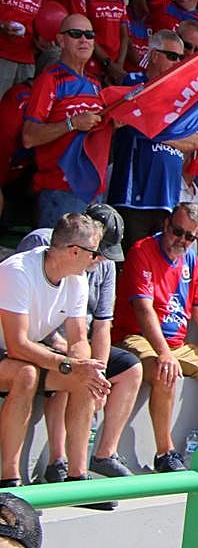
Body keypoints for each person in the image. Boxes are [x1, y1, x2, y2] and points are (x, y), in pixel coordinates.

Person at [112, 203, 198, 472]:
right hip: (138, 337)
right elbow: (143, 309)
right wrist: (163, 353)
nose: (182, 240)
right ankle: (165, 453)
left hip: (177, 344)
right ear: (166, 225)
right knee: (166, 371)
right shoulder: (142, 251)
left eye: (190, 236)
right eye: (177, 231)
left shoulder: (191, 259)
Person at [15, 204, 142, 484]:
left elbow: (101, 325)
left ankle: (100, 457)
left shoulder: (102, 266)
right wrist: (70, 358)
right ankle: (57, 461)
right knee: (69, 369)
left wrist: (99, 372)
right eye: (98, 251)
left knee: (127, 368)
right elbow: (27, 310)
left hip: (74, 341)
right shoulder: (42, 244)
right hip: (40, 339)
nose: (101, 258)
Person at [0, 214, 111, 492]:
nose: (97, 259)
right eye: (94, 252)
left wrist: (86, 368)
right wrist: (67, 365)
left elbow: (78, 338)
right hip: (12, 352)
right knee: (26, 374)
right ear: (74, 251)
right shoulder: (17, 271)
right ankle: (10, 480)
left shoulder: (77, 279)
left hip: (23, 353)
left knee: (86, 378)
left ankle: (77, 478)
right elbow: (16, 344)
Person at [107, 29, 198, 246]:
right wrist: (175, 137)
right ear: (154, 55)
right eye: (172, 56)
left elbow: (196, 142)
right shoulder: (133, 84)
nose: (178, 62)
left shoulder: (181, 96)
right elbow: (133, 125)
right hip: (133, 200)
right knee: (131, 261)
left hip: (168, 202)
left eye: (180, 57)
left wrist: (154, 133)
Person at [23, 13, 106, 226]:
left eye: (89, 35)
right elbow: (29, 137)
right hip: (59, 192)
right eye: (76, 34)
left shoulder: (96, 85)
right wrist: (72, 123)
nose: (84, 40)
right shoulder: (49, 80)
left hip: (94, 192)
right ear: (61, 40)